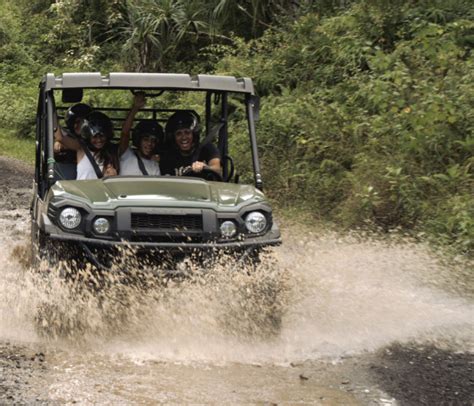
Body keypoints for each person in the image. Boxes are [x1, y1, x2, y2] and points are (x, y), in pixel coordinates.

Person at [55, 110, 119, 179]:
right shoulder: (81, 148)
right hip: (81, 189)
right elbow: (60, 137)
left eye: (102, 136)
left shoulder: (110, 153)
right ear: (88, 136)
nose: (99, 140)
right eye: (94, 137)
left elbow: (125, 134)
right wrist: (52, 111)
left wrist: (110, 176)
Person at [160, 111, 221, 178]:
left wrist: (205, 167)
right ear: (173, 137)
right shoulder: (168, 155)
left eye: (187, 132)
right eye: (179, 134)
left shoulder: (206, 148)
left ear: (194, 134)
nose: (183, 137)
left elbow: (217, 169)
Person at [119, 93, 162, 176]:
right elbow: (125, 132)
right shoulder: (126, 154)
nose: (149, 143)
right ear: (139, 139)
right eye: (146, 139)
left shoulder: (154, 166)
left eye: (153, 141)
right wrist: (135, 107)